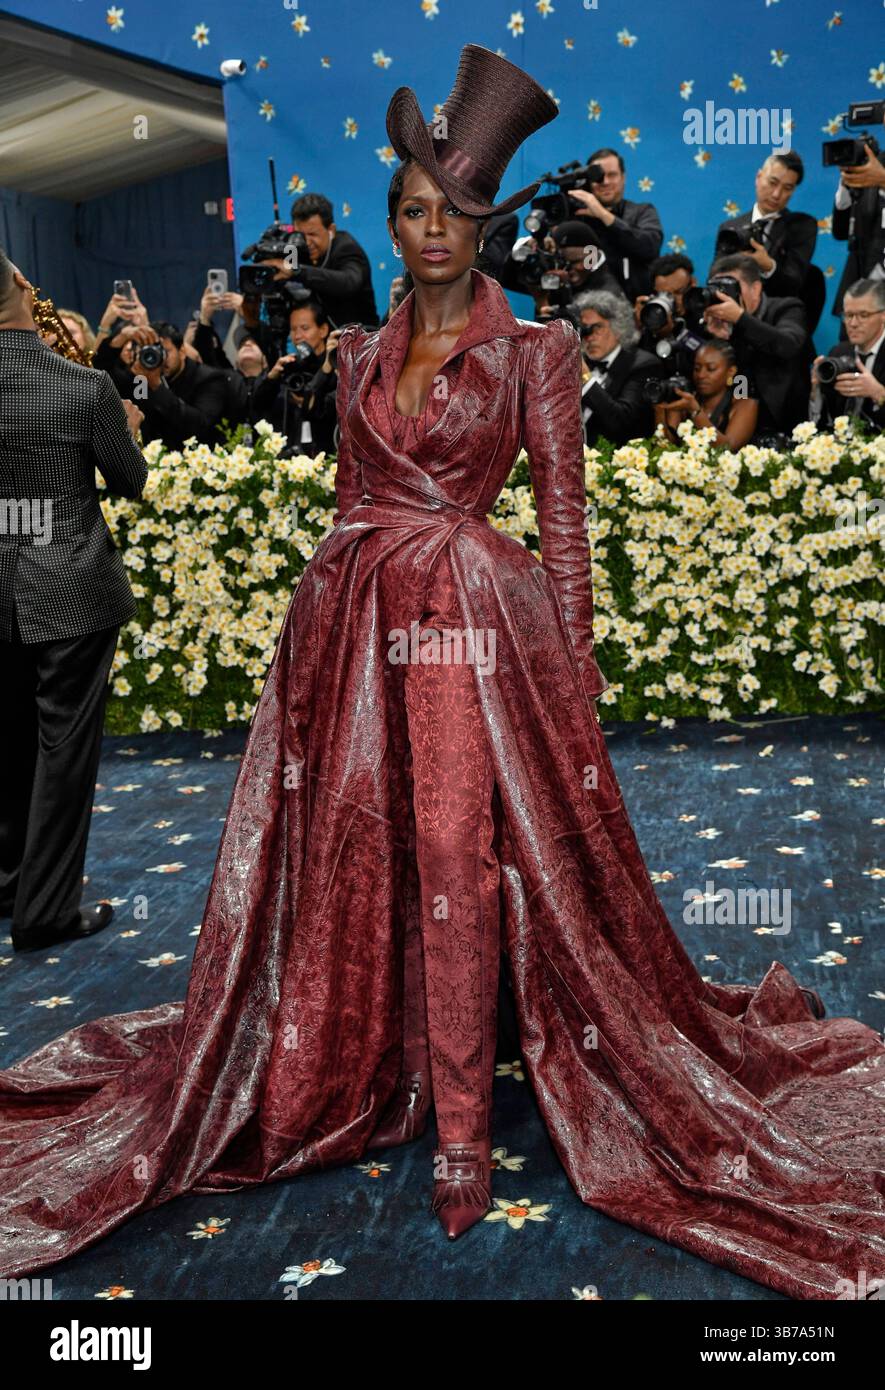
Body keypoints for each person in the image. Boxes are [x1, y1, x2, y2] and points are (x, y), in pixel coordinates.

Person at [0, 47, 883, 1302]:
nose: (428, 232)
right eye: (410, 209)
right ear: (395, 218)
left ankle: (465, 1131)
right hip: (357, 631)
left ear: (485, 226)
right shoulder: (357, 351)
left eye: (452, 214)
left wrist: (572, 670)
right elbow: (356, 496)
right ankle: (363, 1063)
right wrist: (317, 636)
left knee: (466, 860)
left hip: (477, 631)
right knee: (361, 850)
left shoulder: (537, 355)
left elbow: (564, 522)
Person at [0, 250, 147, 952]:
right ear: (23, 290)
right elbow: (130, 482)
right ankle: (47, 911)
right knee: (62, 749)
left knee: (8, 740)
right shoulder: (81, 386)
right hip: (71, 591)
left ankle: (9, 885)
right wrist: (127, 431)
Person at [703, 253, 810, 441]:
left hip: (783, 418)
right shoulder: (715, 318)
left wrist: (741, 319)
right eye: (718, 289)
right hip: (737, 415)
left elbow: (788, 345)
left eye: (731, 288)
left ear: (756, 288)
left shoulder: (787, 308)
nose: (725, 297)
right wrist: (721, 342)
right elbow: (738, 377)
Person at [567, 146, 664, 301]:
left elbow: (649, 247)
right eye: (598, 176)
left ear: (623, 177)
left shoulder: (642, 211)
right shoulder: (576, 219)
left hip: (634, 310)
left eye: (612, 175)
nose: (605, 182)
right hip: (584, 310)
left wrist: (602, 214)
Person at [573, 289, 662, 445]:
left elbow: (622, 421)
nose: (589, 337)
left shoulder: (643, 365)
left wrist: (586, 378)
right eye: (584, 328)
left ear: (619, 328)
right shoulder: (579, 361)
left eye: (597, 327)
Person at [654, 341, 759, 450]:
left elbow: (728, 447)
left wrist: (696, 412)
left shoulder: (745, 404)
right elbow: (666, 447)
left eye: (711, 369)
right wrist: (660, 410)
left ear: (731, 371)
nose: (701, 375)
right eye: (697, 369)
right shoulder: (685, 399)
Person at [811, 278, 885, 430]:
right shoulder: (838, 353)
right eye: (848, 315)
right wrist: (816, 390)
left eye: (863, 315)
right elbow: (823, 420)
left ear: (883, 316)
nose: (853, 323)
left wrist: (879, 393)